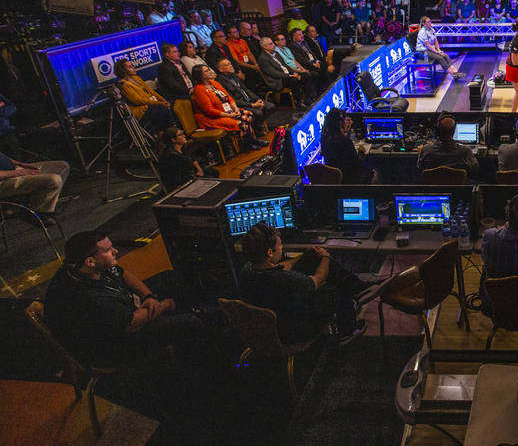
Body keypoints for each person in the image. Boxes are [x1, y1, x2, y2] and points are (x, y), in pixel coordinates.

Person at [44, 231, 206, 367]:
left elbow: (122, 274)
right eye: (108, 250)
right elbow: (133, 323)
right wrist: (165, 305)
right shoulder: (91, 299)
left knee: (171, 278)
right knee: (190, 322)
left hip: (119, 314)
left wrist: (148, 296)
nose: (115, 251)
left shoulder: (81, 267)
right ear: (90, 261)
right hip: (111, 348)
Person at [238, 223, 367, 344]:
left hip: (269, 326)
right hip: (294, 332)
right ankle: (347, 332)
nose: (282, 248)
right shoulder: (286, 279)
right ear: (270, 252)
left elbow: (281, 266)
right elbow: (318, 279)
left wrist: (303, 256)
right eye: (280, 245)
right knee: (336, 289)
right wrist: (325, 257)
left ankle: (359, 287)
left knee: (310, 261)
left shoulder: (247, 270)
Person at [189, 65, 268, 150]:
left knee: (248, 114)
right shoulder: (199, 90)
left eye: (208, 69)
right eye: (206, 71)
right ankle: (249, 142)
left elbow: (229, 98)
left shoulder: (214, 83)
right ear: (200, 75)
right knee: (240, 122)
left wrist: (235, 109)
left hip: (227, 111)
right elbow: (209, 111)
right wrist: (229, 116)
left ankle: (250, 141)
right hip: (213, 117)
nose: (210, 71)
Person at [0, 150, 69, 219]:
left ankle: (39, 203)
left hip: (14, 170)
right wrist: (19, 173)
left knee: (62, 166)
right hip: (4, 180)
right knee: (54, 180)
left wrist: (20, 164)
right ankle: (37, 213)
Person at [214, 58, 272, 138]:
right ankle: (256, 129)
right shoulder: (220, 82)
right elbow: (233, 100)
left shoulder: (234, 76)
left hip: (249, 100)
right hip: (240, 105)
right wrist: (252, 105)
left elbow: (246, 90)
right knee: (258, 113)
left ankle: (258, 125)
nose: (231, 66)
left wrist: (258, 99)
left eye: (230, 63)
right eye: (227, 65)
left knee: (270, 106)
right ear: (220, 69)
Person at [114, 59, 175, 133]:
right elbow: (138, 100)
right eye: (130, 66)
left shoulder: (136, 78)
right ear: (123, 70)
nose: (133, 68)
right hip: (142, 109)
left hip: (153, 104)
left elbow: (151, 92)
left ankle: (173, 132)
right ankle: (165, 134)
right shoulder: (124, 85)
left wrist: (163, 100)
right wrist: (159, 103)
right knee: (162, 109)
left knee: (171, 104)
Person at [320, 108, 375, 184]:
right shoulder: (345, 142)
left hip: (335, 180)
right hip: (351, 180)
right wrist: (361, 152)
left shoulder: (324, 140)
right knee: (377, 173)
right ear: (340, 123)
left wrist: (346, 130)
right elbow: (357, 164)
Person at [417, 116, 478, 180]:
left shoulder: (426, 149)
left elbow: (420, 168)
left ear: (438, 130)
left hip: (433, 188)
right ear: (454, 131)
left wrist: (421, 153)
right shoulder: (465, 151)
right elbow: (475, 170)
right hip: (459, 188)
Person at [156, 126, 217, 191]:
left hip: (189, 174)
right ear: (173, 140)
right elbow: (177, 179)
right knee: (209, 177)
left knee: (213, 171)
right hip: (181, 183)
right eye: (180, 135)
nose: (184, 136)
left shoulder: (182, 148)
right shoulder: (172, 157)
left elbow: (192, 159)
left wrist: (200, 170)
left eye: (183, 133)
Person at [257, 37, 306, 110]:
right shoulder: (263, 58)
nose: (273, 45)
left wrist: (294, 72)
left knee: (305, 75)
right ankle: (298, 103)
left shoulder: (276, 53)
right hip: (277, 80)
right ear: (264, 47)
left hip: (286, 75)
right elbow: (274, 73)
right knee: (293, 80)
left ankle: (308, 97)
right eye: (271, 44)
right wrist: (290, 75)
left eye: (273, 43)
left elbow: (285, 66)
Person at [417, 16, 464, 80]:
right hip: (422, 51)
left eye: (430, 21)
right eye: (428, 22)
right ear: (424, 24)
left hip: (430, 49)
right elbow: (428, 45)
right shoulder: (422, 32)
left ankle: (455, 72)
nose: (430, 23)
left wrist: (439, 50)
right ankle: (453, 74)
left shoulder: (431, 29)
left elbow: (435, 40)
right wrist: (437, 52)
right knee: (440, 57)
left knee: (445, 55)